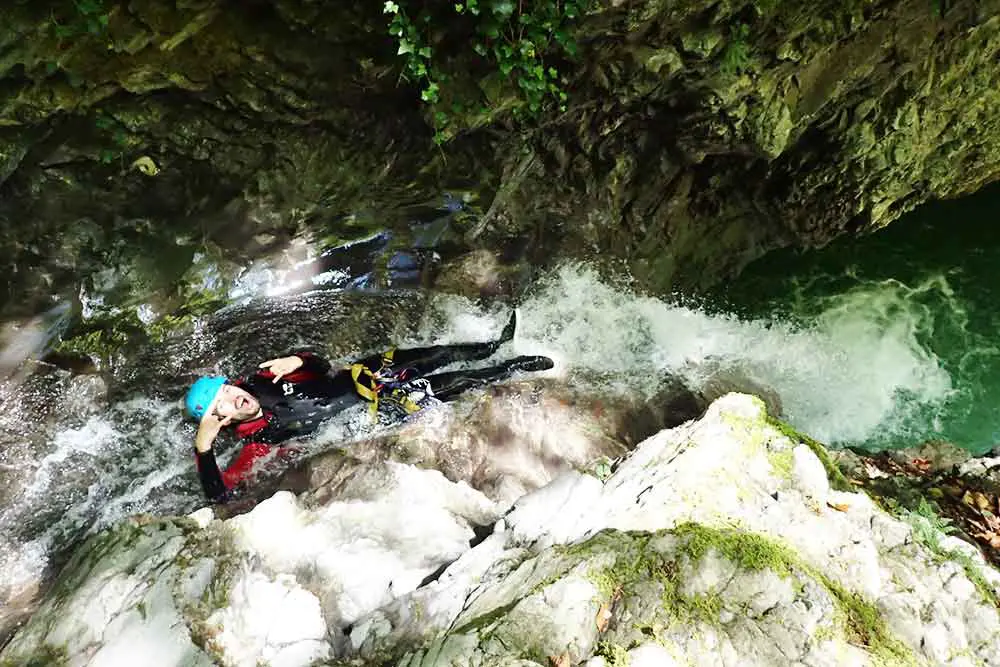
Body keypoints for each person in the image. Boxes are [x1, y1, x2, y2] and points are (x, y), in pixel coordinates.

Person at [185, 312, 552, 502]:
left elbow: (322, 368)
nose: (236, 399)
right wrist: (204, 449)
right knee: (454, 384)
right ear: (223, 420)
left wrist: (299, 361)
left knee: (439, 354)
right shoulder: (259, 443)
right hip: (380, 409)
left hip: (367, 373)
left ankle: (496, 343)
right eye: (225, 405)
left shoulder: (265, 378)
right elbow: (222, 497)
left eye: (228, 390)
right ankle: (513, 367)